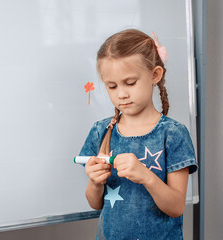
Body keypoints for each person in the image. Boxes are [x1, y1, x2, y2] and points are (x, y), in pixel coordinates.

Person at [78, 29, 198, 240]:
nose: (121, 94)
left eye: (130, 83)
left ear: (155, 75)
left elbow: (176, 207)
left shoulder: (172, 134)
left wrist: (146, 177)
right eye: (112, 86)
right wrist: (95, 183)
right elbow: (94, 203)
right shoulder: (101, 131)